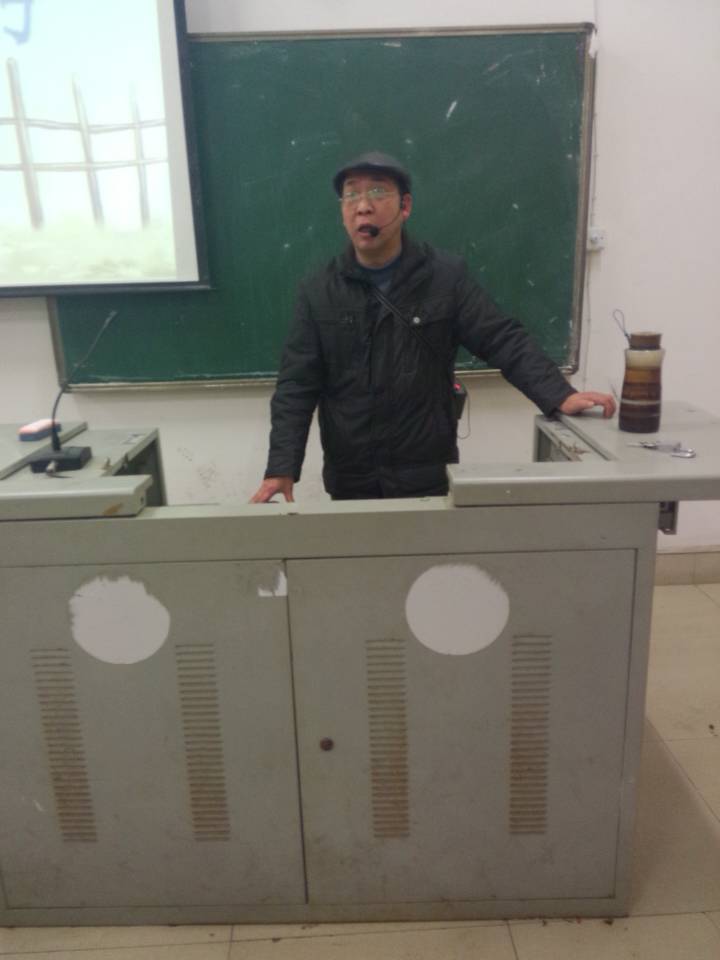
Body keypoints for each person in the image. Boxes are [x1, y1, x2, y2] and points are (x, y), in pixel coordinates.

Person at [251, 151, 615, 503]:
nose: (363, 205)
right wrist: (281, 467)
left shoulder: (444, 277)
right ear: (343, 211)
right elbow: (297, 386)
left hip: (426, 475)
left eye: (377, 191)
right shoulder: (319, 291)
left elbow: (502, 339)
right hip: (352, 479)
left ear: (405, 206)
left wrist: (558, 394)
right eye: (351, 194)